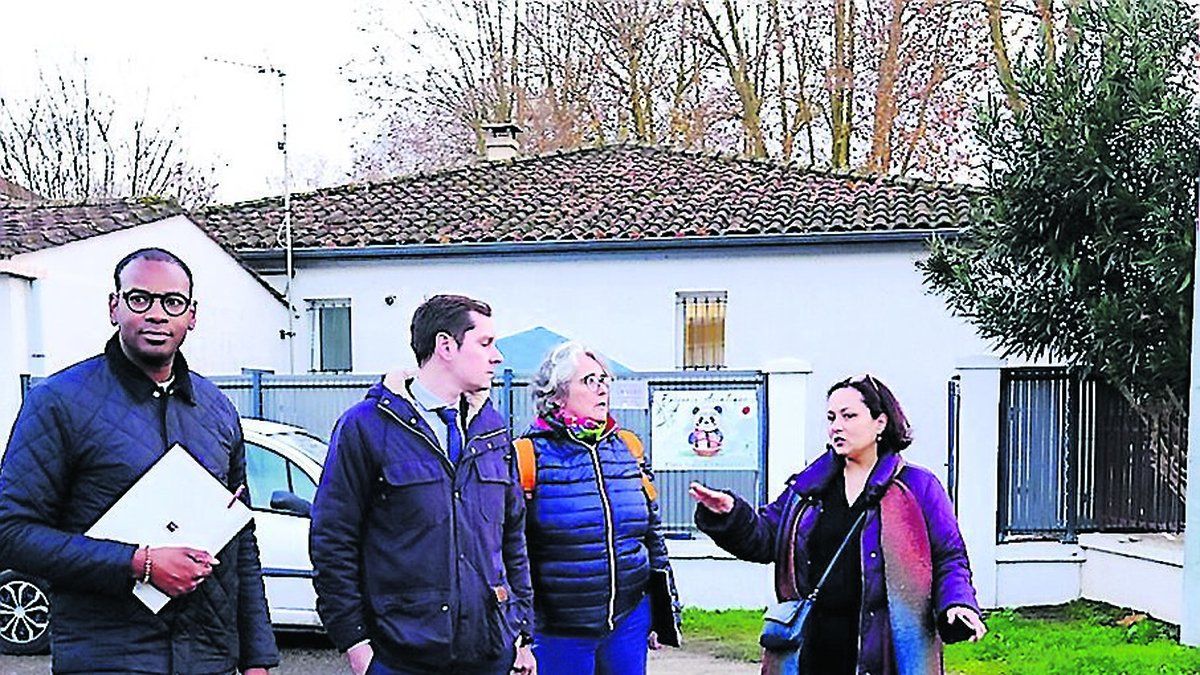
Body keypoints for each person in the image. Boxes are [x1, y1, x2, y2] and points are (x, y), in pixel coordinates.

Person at [0, 247, 279, 674]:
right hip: (108, 658)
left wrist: (257, 660)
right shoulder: (57, 403)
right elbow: (12, 532)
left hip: (209, 659)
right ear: (114, 307)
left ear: (192, 315)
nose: (156, 314)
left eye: (172, 302)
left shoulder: (217, 409)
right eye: (139, 299)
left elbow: (241, 541)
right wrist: (138, 563)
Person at [690, 373, 985, 675]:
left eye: (849, 416)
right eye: (831, 417)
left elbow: (949, 557)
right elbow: (766, 538)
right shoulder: (809, 487)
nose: (836, 426)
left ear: (880, 423)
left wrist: (958, 603)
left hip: (886, 650)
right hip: (813, 649)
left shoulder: (918, 486)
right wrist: (729, 513)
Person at [310, 294, 536, 675]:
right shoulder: (368, 426)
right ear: (445, 346)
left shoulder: (492, 429)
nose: (497, 356)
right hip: (400, 656)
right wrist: (355, 644)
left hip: (489, 652)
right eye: (485, 343)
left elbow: (512, 536)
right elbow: (333, 539)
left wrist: (521, 632)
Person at [517, 342, 680, 675]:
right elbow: (514, 551)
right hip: (560, 630)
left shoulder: (627, 448)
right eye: (589, 380)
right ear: (558, 393)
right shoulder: (527, 456)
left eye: (604, 379)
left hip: (628, 621)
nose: (602, 388)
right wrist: (522, 634)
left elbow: (651, 534)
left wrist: (662, 611)